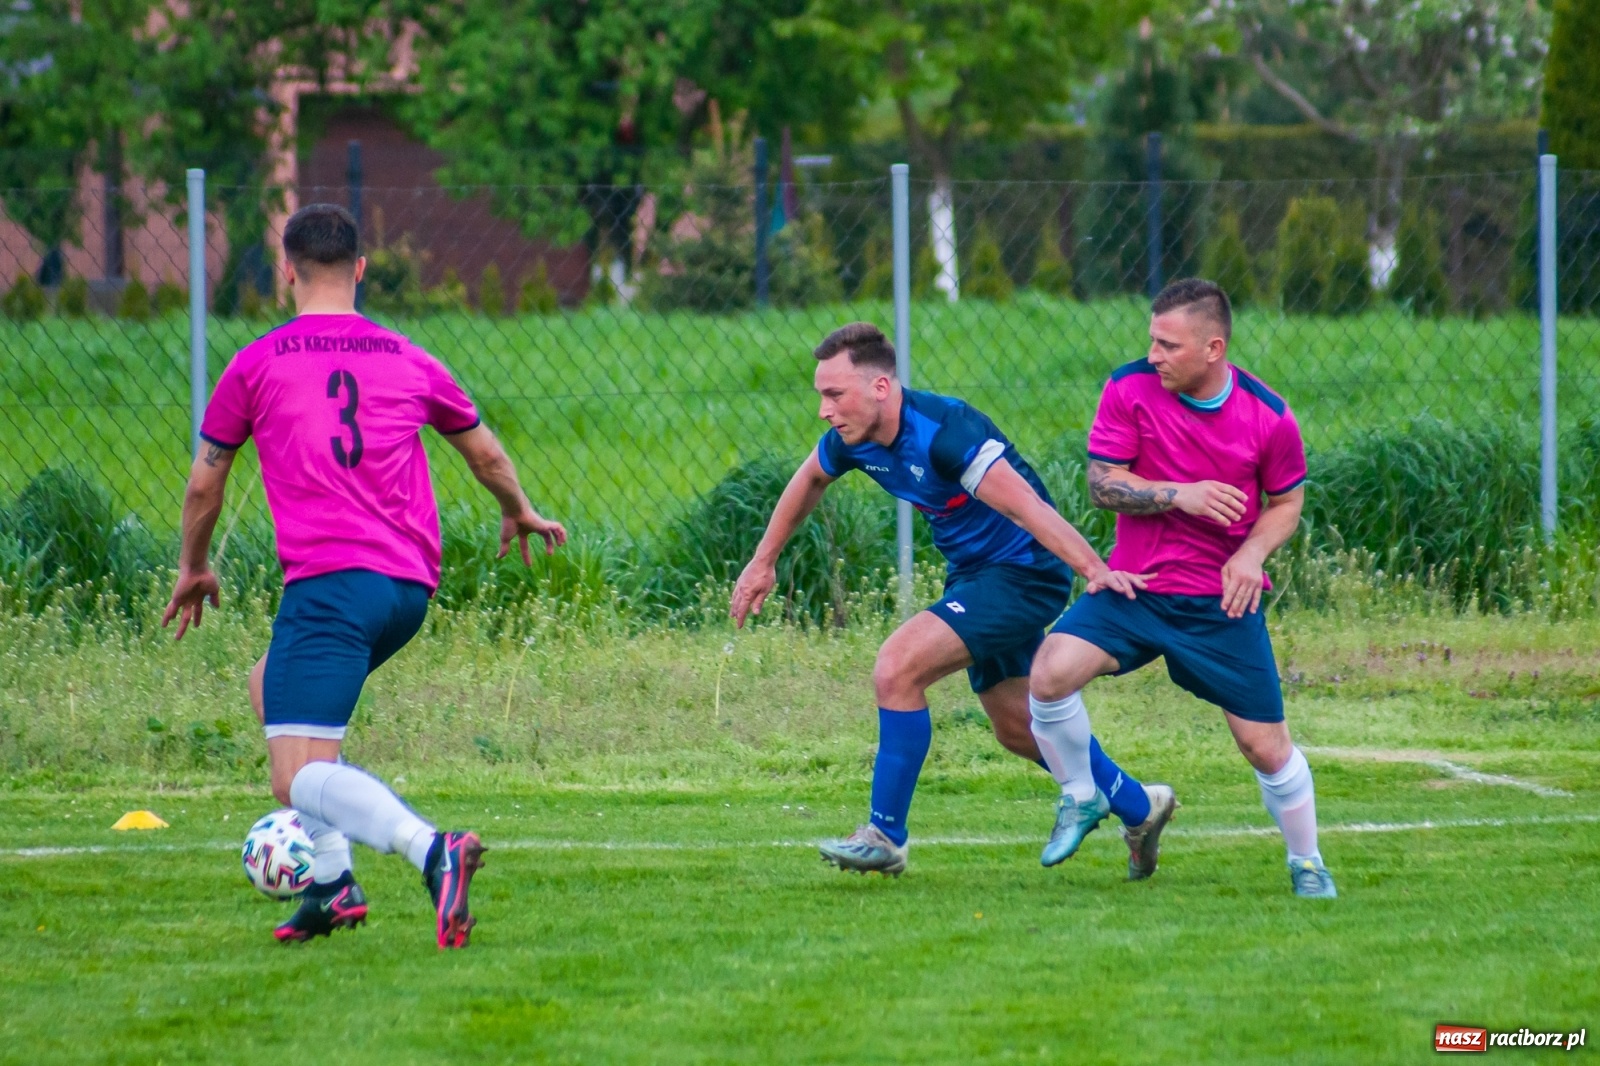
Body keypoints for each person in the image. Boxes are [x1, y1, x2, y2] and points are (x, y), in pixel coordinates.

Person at [162, 203, 568, 946]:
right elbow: (485, 455)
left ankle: (431, 852)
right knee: (268, 682)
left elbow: (203, 486)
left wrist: (194, 566)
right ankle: (333, 885)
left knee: (294, 779)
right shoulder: (409, 356)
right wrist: (520, 511)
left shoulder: (255, 363)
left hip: (330, 588)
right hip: (407, 591)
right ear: (360, 269)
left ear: (286, 269)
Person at [730, 322, 1178, 878]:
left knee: (897, 668)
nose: (824, 409)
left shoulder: (945, 432)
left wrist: (1094, 569)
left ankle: (885, 835)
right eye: (821, 395)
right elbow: (810, 477)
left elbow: (1026, 509)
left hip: (1023, 575)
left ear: (880, 388)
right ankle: (1140, 806)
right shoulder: (856, 439)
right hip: (974, 576)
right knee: (1018, 728)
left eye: (833, 394)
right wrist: (763, 560)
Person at [1028, 278, 1335, 899]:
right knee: (1049, 673)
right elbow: (1101, 483)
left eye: (1168, 345)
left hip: (1220, 604)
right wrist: (1178, 494)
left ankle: (1307, 863)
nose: (1153, 355)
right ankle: (1083, 796)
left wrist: (1251, 553)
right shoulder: (1128, 387)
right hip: (1136, 589)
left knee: (1264, 747)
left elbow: (1288, 502)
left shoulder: (1269, 416)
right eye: (1151, 340)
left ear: (1213, 348)